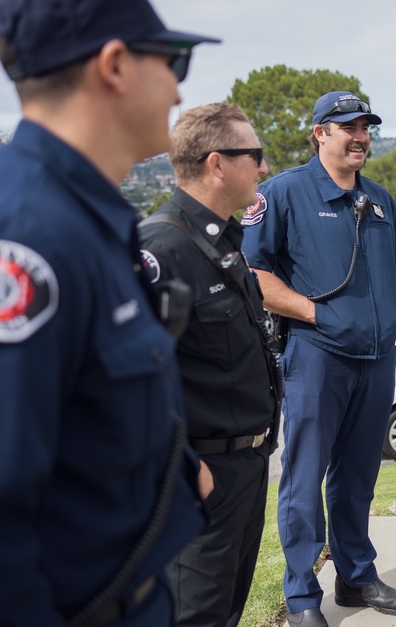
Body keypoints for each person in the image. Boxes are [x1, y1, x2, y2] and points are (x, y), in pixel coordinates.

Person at [0, 0, 218, 626]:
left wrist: (178, 466)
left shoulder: (84, 214)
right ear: (115, 64)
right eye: (173, 61)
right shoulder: (28, 236)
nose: (180, 93)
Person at [241, 90, 396, 625]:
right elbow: (254, 274)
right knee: (304, 476)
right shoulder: (282, 194)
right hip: (316, 355)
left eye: (365, 126)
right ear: (321, 133)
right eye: (348, 127)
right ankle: (300, 596)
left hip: (376, 357)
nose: (360, 136)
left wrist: (392, 315)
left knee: (358, 473)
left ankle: (356, 577)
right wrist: (316, 316)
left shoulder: (381, 198)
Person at [138, 103, 281, 627]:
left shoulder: (223, 241)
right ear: (217, 163)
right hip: (199, 477)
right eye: (256, 156)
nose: (263, 168)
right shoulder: (162, 247)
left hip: (245, 465)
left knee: (225, 611)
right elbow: (133, 381)